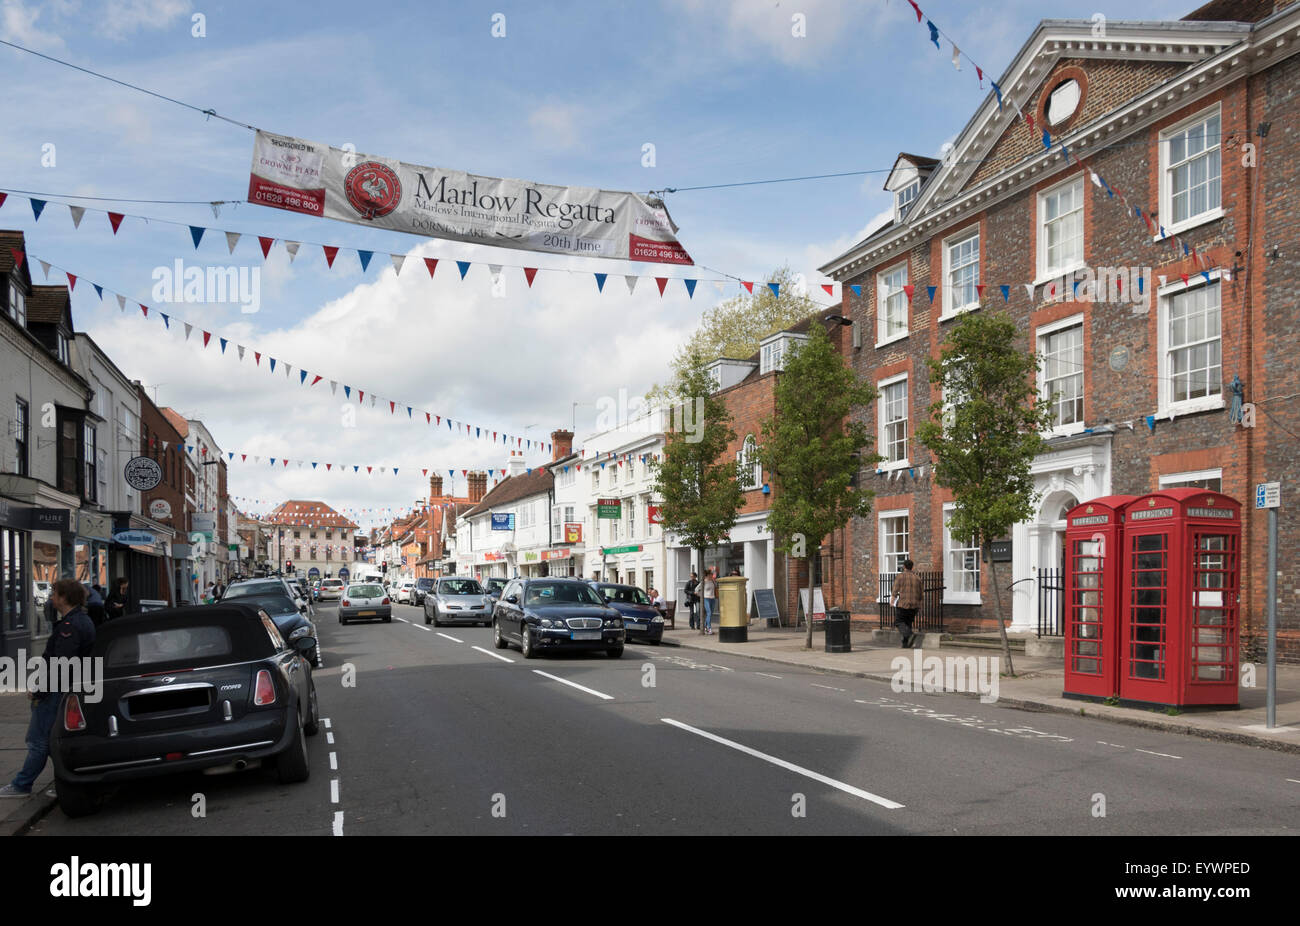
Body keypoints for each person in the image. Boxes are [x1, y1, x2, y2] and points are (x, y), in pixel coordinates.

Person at [0, 579, 95, 798]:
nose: (51, 598)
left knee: (37, 740)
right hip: (68, 689)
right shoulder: (81, 621)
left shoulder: (70, 627)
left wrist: (40, 691)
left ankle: (21, 784)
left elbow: (61, 666)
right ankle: (69, 781)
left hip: (56, 691)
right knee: (52, 742)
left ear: (64, 597)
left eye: (54, 594)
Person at [891, 559, 924, 649]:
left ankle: (910, 634)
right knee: (908, 623)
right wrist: (920, 605)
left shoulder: (900, 576)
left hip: (903, 604)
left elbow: (895, 590)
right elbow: (921, 594)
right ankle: (905, 644)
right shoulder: (918, 578)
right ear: (912, 567)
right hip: (914, 605)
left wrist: (892, 600)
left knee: (899, 622)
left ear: (904, 567)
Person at [701, 568, 718, 635]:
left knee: (710, 614)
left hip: (713, 598)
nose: (711, 576)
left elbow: (716, 587)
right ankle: (709, 628)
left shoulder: (713, 581)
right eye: (710, 575)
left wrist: (714, 581)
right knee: (709, 613)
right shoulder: (703, 582)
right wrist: (701, 596)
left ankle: (705, 627)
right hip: (706, 599)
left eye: (712, 575)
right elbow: (696, 590)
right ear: (707, 575)